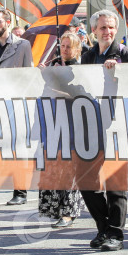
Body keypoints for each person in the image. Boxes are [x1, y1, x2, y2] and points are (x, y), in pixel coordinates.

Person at [80, 10, 128, 252]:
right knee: (87, 180)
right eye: (103, 28)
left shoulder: (126, 54)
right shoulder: (88, 55)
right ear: (94, 30)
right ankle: (102, 227)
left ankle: (115, 233)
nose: (108, 32)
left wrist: (118, 74)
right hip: (92, 124)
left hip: (117, 124)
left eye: (111, 27)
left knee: (115, 183)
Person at [0, 7, 34, 206]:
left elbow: (29, 74)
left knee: (17, 149)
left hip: (16, 104)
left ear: (8, 22)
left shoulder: (23, 45)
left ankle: (20, 191)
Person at [38, 33, 85, 229]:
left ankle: (69, 211)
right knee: (52, 164)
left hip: (73, 122)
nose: (65, 49)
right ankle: (54, 207)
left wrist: (54, 83)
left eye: (69, 46)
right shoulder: (54, 65)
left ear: (77, 49)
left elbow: (79, 94)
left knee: (69, 167)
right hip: (52, 120)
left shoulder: (80, 70)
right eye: (63, 45)